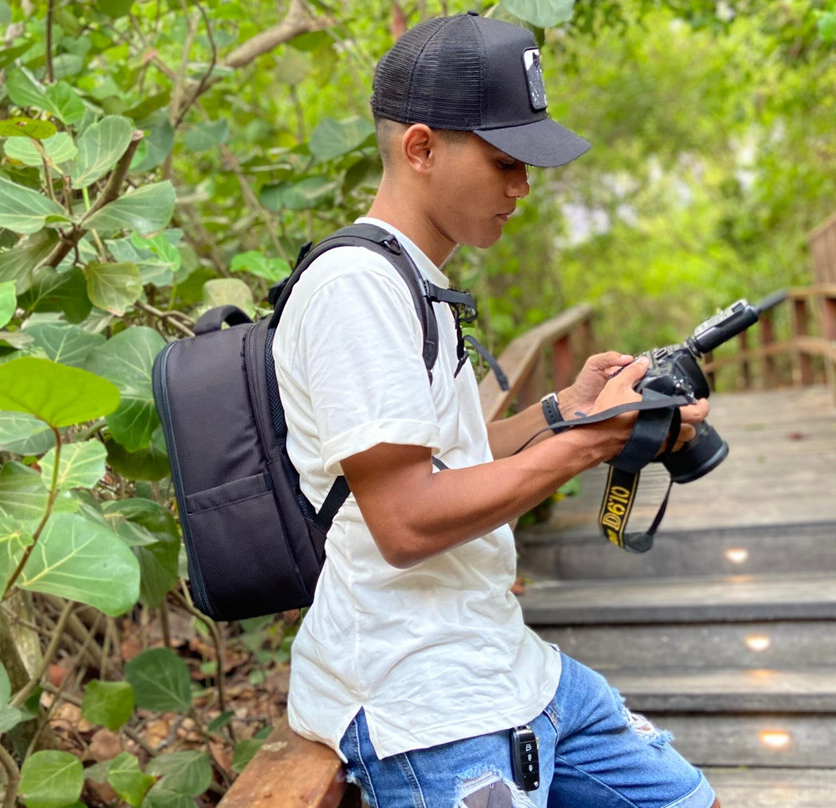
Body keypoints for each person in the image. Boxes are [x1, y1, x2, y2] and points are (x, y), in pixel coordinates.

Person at [272, 12, 718, 808]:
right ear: (420, 148)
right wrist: (595, 444)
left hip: (505, 662)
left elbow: (450, 454)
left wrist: (567, 411)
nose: (522, 186)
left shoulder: (416, 280)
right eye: (505, 161)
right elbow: (405, 520)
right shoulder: (355, 290)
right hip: (420, 699)